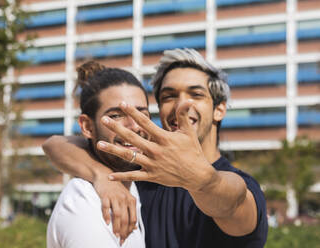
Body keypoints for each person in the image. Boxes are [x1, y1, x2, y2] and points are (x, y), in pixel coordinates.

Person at [43, 48, 268, 247]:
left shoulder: (241, 184)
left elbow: (232, 200)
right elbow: (55, 144)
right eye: (169, 96)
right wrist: (101, 175)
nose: (182, 104)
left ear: (219, 109)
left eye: (196, 94)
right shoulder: (142, 174)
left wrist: (201, 180)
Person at [46, 61, 148, 248]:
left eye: (141, 114)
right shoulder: (84, 202)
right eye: (116, 116)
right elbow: (52, 143)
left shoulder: (134, 185)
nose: (134, 127)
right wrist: (101, 175)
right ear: (87, 126)